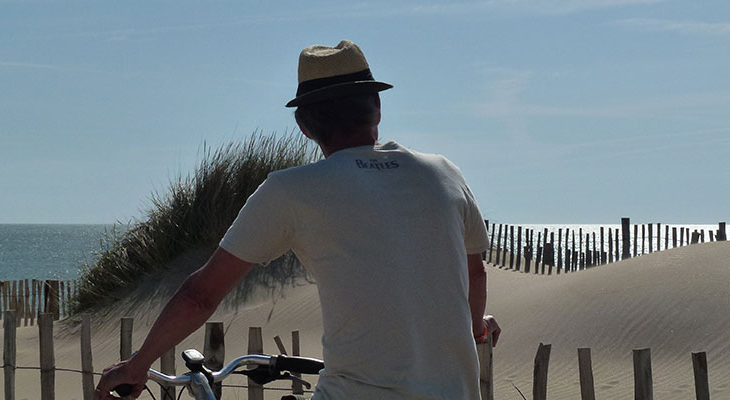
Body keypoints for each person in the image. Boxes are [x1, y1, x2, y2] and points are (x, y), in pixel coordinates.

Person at [96, 40, 501, 399]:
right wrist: (475, 328)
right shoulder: (444, 172)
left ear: (304, 126)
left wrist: (137, 364)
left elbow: (201, 296)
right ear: (377, 108)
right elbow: (474, 274)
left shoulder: (291, 191)